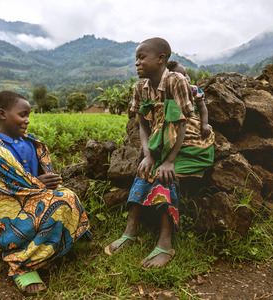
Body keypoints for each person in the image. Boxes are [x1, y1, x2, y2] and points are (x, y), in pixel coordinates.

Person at [0, 91, 91, 295]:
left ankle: (51, 248)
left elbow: (35, 179)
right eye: (22, 115)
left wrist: (44, 182)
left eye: (28, 115)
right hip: (8, 213)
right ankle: (20, 263)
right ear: (2, 114)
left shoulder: (30, 143)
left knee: (68, 196)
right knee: (60, 203)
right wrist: (39, 184)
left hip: (34, 199)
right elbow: (0, 192)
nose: (27, 121)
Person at [104, 37, 194, 268]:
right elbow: (143, 125)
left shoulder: (176, 81)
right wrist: (148, 155)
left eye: (142, 57)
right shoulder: (140, 88)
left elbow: (182, 124)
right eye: (136, 59)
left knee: (165, 175)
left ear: (161, 59)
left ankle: (165, 243)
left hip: (185, 142)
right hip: (158, 142)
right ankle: (130, 232)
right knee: (145, 170)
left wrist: (170, 161)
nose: (137, 63)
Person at [166, 61, 215, 181]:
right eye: (181, 76)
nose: (186, 78)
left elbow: (203, 108)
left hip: (193, 122)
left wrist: (204, 124)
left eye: (186, 74)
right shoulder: (167, 93)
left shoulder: (194, 90)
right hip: (176, 122)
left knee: (199, 141)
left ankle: (193, 166)